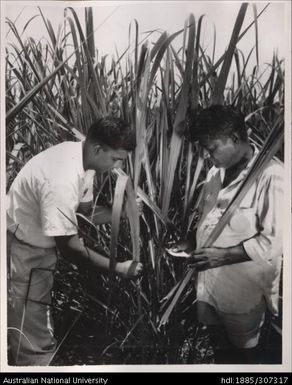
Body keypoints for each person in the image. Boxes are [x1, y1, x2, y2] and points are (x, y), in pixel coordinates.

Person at [7, 116, 143, 366]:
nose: (116, 167)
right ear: (97, 149)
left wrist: (122, 211)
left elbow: (83, 213)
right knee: (31, 325)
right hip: (25, 246)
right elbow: (72, 250)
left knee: (28, 311)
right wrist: (120, 268)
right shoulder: (61, 179)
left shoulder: (84, 160)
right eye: (115, 159)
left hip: (38, 239)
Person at [177, 105, 283, 363]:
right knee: (218, 346)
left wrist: (223, 256)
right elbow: (210, 219)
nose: (205, 155)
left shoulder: (272, 176)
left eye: (211, 148)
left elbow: (274, 241)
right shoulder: (215, 173)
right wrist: (191, 240)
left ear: (235, 138)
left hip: (243, 292)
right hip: (208, 284)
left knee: (244, 353)